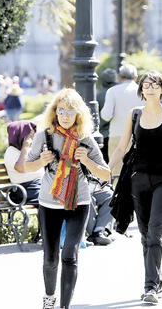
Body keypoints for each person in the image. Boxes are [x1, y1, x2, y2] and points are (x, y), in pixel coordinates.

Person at [24, 88, 111, 309]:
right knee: (51, 258)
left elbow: (106, 174)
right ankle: (49, 298)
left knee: (70, 255)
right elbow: (27, 167)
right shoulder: (44, 136)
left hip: (78, 202)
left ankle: (64, 306)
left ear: (78, 115)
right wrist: (42, 161)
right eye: (60, 110)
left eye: (70, 111)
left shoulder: (85, 139)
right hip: (49, 202)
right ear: (54, 113)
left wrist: (88, 162)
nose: (64, 115)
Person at [108, 71, 162, 305]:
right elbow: (122, 146)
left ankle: (150, 287)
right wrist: (106, 168)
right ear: (141, 90)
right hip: (138, 180)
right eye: (146, 85)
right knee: (146, 235)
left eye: (155, 85)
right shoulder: (133, 115)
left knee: (155, 230)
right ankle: (155, 278)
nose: (150, 88)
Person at [100, 63, 142, 178]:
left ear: (119, 77)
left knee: (117, 174)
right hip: (139, 135)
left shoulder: (112, 91)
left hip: (117, 135)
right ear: (136, 77)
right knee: (136, 172)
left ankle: (118, 195)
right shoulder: (143, 91)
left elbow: (106, 115)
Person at [4, 120, 43, 206]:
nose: (33, 138)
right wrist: (25, 145)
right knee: (51, 201)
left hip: (39, 186)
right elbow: (20, 168)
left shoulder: (30, 150)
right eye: (31, 135)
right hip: (25, 190)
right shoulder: (11, 151)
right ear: (20, 134)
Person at [97, 69, 119, 163]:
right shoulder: (119, 93)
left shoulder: (99, 95)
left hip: (104, 135)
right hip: (120, 134)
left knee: (106, 163)